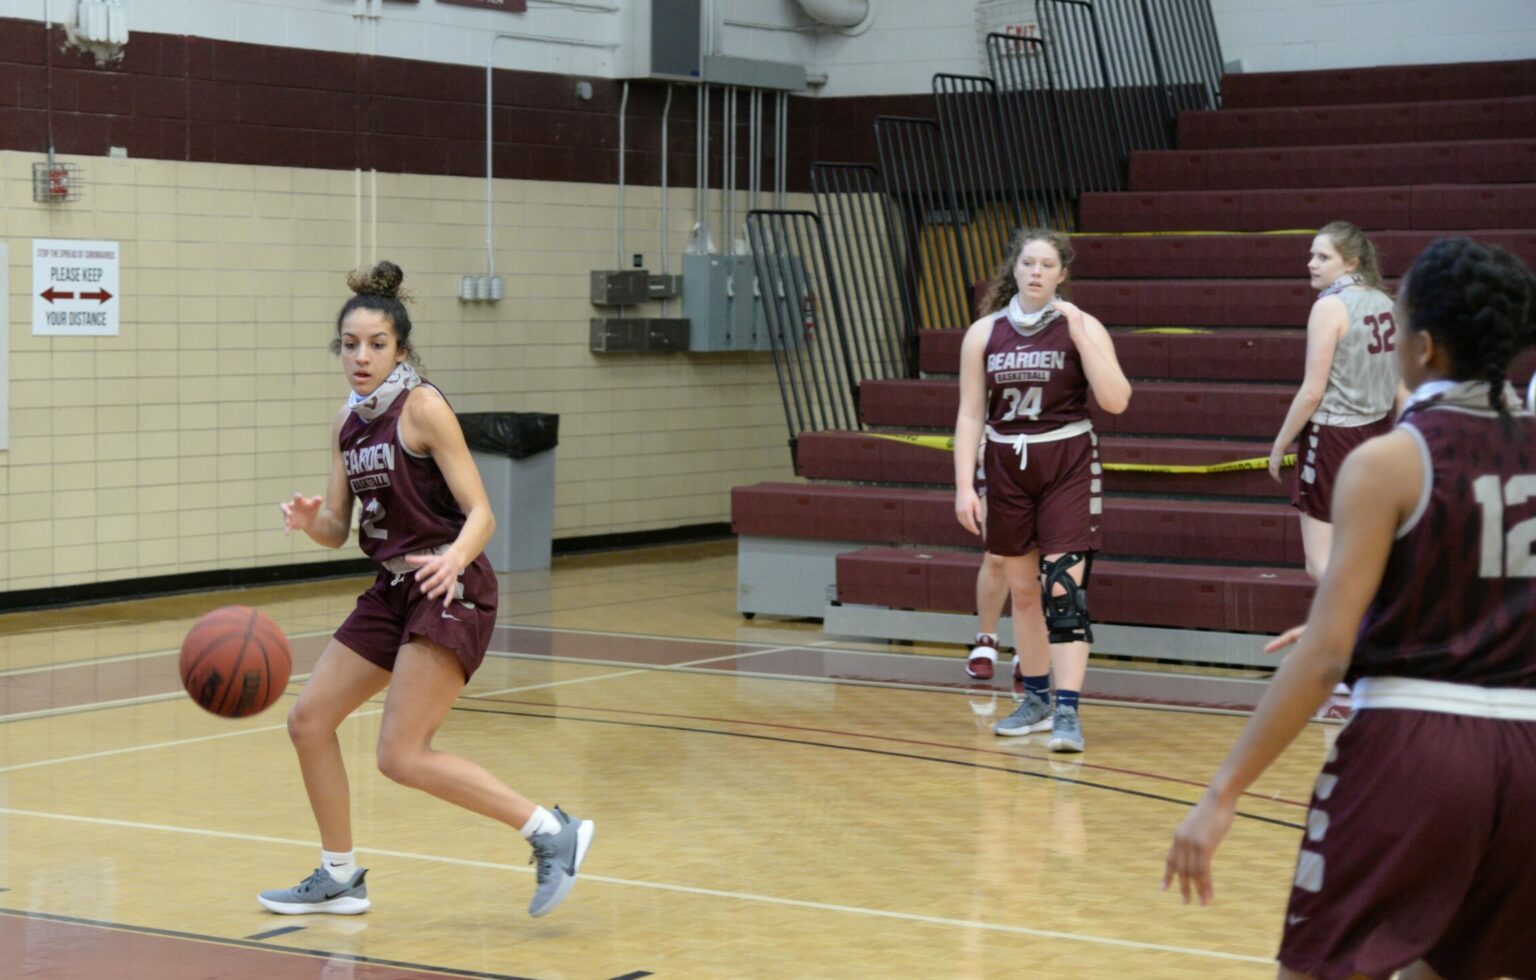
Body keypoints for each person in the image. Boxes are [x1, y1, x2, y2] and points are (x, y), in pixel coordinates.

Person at [1165, 237, 1536, 979]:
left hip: (1417, 744)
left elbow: (1327, 654)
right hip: (1526, 752)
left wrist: (1222, 791)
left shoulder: (1390, 459)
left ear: (1424, 347)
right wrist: (1388, 614)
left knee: (1318, 970)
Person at [262, 261, 594, 919]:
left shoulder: (423, 407)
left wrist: (455, 561)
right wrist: (309, 523)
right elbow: (337, 529)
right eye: (350, 345)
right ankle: (339, 876)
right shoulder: (346, 423)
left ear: (401, 350)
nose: (360, 357)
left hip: (449, 584)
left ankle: (552, 833)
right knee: (308, 721)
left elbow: (482, 513)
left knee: (400, 754)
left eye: (376, 344)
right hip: (391, 589)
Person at [954, 228, 1132, 752]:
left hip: (1067, 461)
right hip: (1006, 464)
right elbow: (969, 413)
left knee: (1063, 591)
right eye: (1028, 262)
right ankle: (1035, 699)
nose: (1036, 272)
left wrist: (1081, 332)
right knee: (1025, 593)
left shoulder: (1081, 325)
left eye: (1047, 264)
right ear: (1014, 269)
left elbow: (1117, 400)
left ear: (1062, 274)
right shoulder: (984, 333)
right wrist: (965, 485)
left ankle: (1068, 712)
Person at [1269, 221, 1403, 580]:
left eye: (1323, 256)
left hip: (1334, 438)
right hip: (1381, 432)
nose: (1311, 263)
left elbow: (1312, 391)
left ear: (1352, 263)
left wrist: (1281, 444)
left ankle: (1360, 627)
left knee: (1320, 561)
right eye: (1312, 255)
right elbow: (1401, 385)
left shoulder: (1330, 307)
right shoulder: (1386, 301)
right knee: (1368, 546)